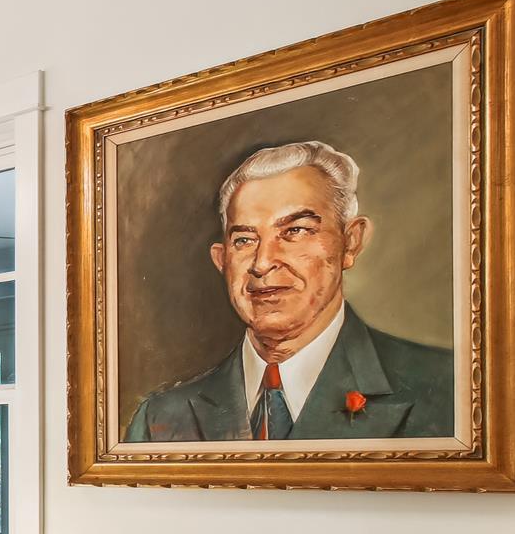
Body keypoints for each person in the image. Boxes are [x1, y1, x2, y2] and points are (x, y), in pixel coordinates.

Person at [124, 140, 453, 442]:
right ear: (221, 260)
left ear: (350, 242)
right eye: (244, 240)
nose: (262, 262)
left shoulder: (448, 388)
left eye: (295, 231)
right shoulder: (160, 418)